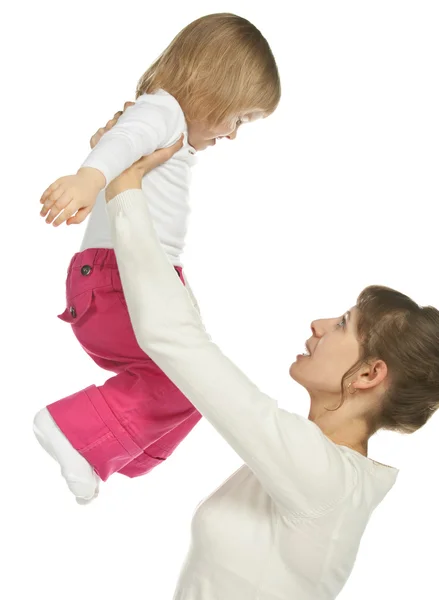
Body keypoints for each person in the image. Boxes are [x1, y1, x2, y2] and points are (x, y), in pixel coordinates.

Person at [93, 114, 439, 599]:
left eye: (344, 324)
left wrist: (122, 182)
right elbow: (189, 341)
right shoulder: (311, 467)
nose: (319, 325)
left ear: (371, 373)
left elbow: (175, 340)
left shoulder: (323, 478)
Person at [33, 13, 281, 504]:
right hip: (118, 281)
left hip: (137, 280)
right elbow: (121, 139)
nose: (233, 135)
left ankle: (105, 450)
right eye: (239, 117)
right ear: (213, 87)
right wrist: (89, 178)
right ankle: (72, 430)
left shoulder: (171, 127)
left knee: (197, 382)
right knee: (189, 375)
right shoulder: (162, 110)